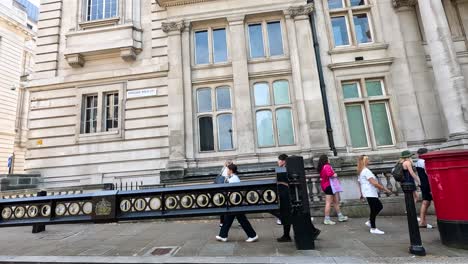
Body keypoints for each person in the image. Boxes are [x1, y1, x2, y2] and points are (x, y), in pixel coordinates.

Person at [274, 154, 321, 242]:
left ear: (283, 161)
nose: (278, 162)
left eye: (279, 160)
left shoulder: (284, 169)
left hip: (289, 196)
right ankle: (287, 235)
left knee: (294, 215)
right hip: (288, 196)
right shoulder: (285, 169)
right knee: (287, 216)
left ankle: (313, 230)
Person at [216, 163, 258, 243]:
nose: (227, 171)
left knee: (238, 219)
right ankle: (223, 235)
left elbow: (231, 191)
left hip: (235, 201)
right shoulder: (233, 177)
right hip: (235, 201)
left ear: (231, 170)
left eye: (228, 169)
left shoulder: (233, 178)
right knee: (231, 218)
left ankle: (252, 235)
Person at [357, 155, 392, 234]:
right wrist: (385, 189)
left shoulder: (361, 171)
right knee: (377, 207)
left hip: (368, 192)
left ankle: (370, 222)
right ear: (364, 161)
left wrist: (361, 193)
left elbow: (359, 183)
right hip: (370, 192)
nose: (369, 161)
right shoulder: (366, 171)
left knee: (376, 208)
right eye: (367, 160)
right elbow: (374, 183)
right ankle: (373, 227)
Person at [317, 154, 348, 225]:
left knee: (335, 202)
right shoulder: (327, 166)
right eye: (328, 158)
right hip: (329, 186)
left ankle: (340, 216)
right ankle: (327, 219)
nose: (329, 159)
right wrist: (335, 174)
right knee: (329, 203)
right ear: (326, 159)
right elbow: (329, 174)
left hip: (327, 186)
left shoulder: (322, 167)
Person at [416, 148, 433, 229]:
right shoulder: (424, 162)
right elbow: (428, 173)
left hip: (423, 184)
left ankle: (423, 221)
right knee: (426, 202)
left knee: (426, 202)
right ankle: (422, 221)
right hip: (428, 184)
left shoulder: (418, 162)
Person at [215, 160, 232, 227]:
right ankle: (223, 222)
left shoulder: (222, 169)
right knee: (232, 205)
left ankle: (222, 222)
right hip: (226, 189)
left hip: (221, 189)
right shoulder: (227, 170)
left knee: (222, 205)